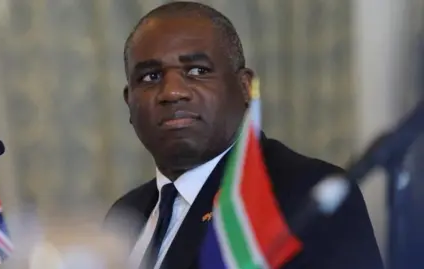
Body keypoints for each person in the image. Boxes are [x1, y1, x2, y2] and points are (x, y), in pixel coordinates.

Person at [103, 2, 384, 269]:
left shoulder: (306, 197)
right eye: (151, 77)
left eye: (197, 71)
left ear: (245, 87)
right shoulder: (125, 215)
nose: (172, 92)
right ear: (129, 102)